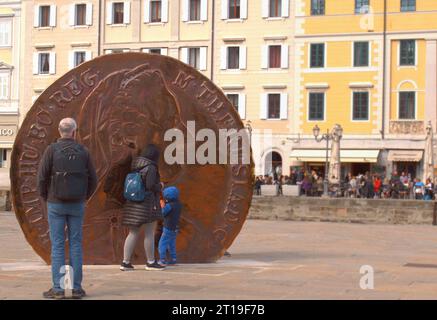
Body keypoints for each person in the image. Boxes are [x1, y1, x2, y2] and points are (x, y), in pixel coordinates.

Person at [37, 118, 97, 299]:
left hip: (55, 203)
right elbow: (93, 180)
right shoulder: (83, 151)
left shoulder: (51, 150)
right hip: (77, 204)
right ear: (74, 131)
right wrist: (83, 197)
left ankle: (59, 289)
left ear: (59, 130)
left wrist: (46, 197)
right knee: (76, 245)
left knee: (57, 246)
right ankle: (76, 288)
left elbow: (41, 177)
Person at [120, 144, 165, 272]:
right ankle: (151, 262)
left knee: (133, 233)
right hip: (147, 204)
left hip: (133, 203)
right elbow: (150, 185)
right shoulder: (150, 167)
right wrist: (160, 186)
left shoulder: (135, 166)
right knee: (149, 233)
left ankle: (125, 262)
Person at [158, 186, 182, 266]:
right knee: (172, 244)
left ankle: (162, 259)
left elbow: (163, 213)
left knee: (162, 243)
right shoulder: (178, 204)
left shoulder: (169, 206)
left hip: (168, 227)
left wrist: (162, 206)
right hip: (175, 227)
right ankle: (173, 259)